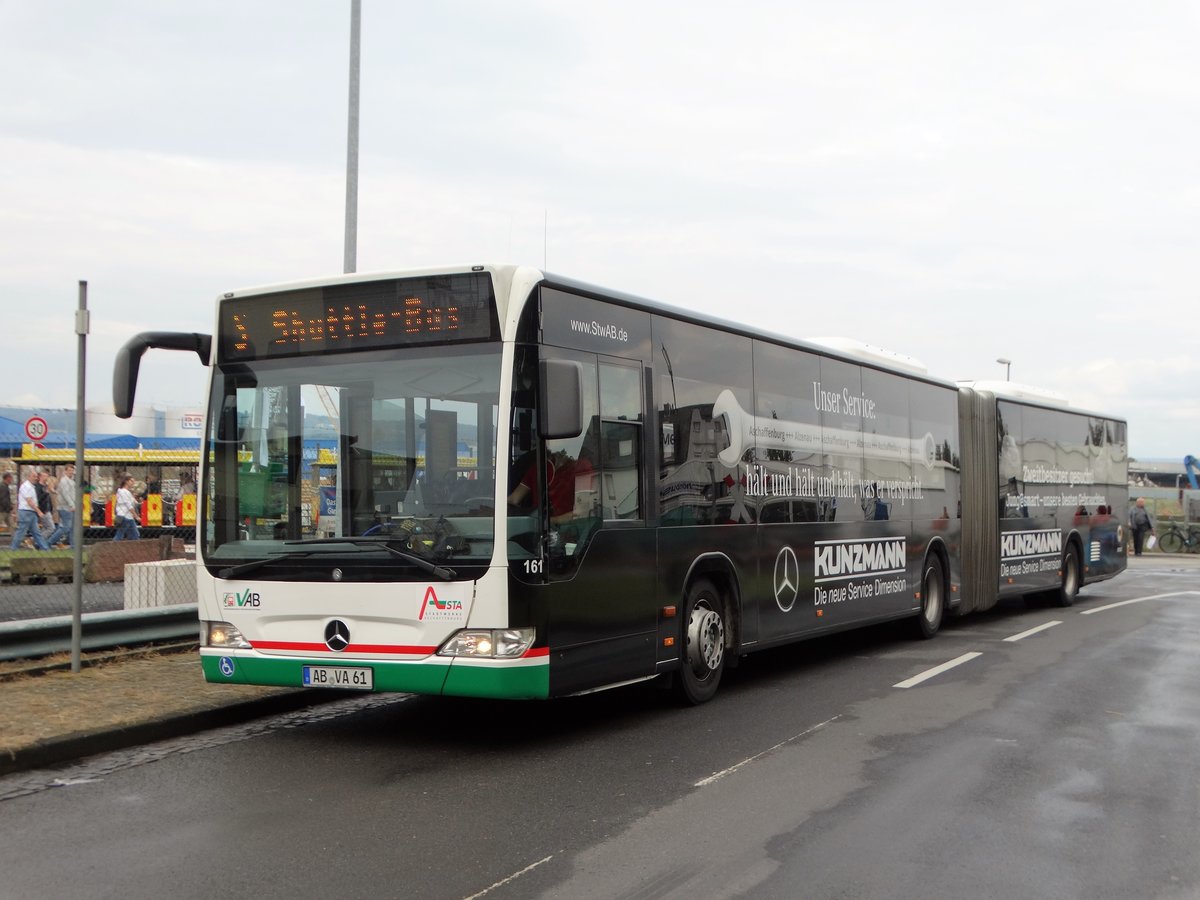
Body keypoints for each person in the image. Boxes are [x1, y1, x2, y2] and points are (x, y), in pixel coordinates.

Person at [10, 469, 50, 550]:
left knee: (36, 532)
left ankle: (45, 548)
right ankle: (13, 548)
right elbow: (29, 501)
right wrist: (38, 511)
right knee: (21, 531)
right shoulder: (26, 486)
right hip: (26, 512)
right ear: (28, 477)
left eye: (36, 476)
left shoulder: (31, 486)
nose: (36, 478)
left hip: (30, 512)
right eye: (33, 476)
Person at [46, 463, 76, 548]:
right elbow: (65, 494)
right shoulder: (64, 481)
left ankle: (73, 546)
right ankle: (49, 542)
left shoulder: (71, 481)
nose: (71, 472)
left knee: (72, 528)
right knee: (66, 527)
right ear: (65, 471)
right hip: (65, 507)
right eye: (69, 470)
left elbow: (72, 494)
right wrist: (72, 504)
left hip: (70, 506)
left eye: (72, 470)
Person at [113, 475, 141, 541]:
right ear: (126, 481)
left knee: (134, 535)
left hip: (128, 516)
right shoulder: (123, 492)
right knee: (121, 534)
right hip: (125, 516)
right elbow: (129, 505)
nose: (133, 483)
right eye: (131, 481)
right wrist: (136, 516)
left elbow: (135, 502)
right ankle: (113, 546)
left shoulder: (125, 492)